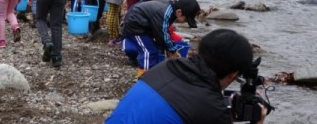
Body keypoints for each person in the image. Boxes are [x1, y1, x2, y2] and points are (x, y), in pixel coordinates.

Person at [106, 29, 268, 124]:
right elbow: (201, 107)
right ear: (233, 74)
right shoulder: (212, 110)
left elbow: (185, 102)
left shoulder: (166, 67)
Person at [121, 0, 201, 77]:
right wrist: (172, 49)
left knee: (155, 48)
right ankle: (143, 77)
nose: (186, 22)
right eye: (187, 19)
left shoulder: (172, 8)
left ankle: (151, 71)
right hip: (135, 25)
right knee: (148, 51)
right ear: (179, 12)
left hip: (145, 25)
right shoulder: (164, 12)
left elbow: (162, 31)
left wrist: (167, 47)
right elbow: (162, 34)